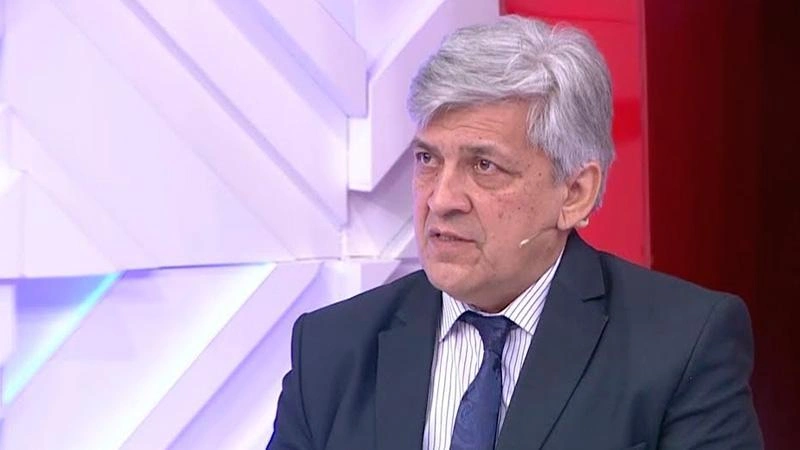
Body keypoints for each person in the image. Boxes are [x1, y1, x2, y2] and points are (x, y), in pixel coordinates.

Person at [267, 15, 762, 450]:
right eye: (427, 159)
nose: (441, 199)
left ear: (575, 193)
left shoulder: (683, 345)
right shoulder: (331, 348)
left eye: (484, 165)